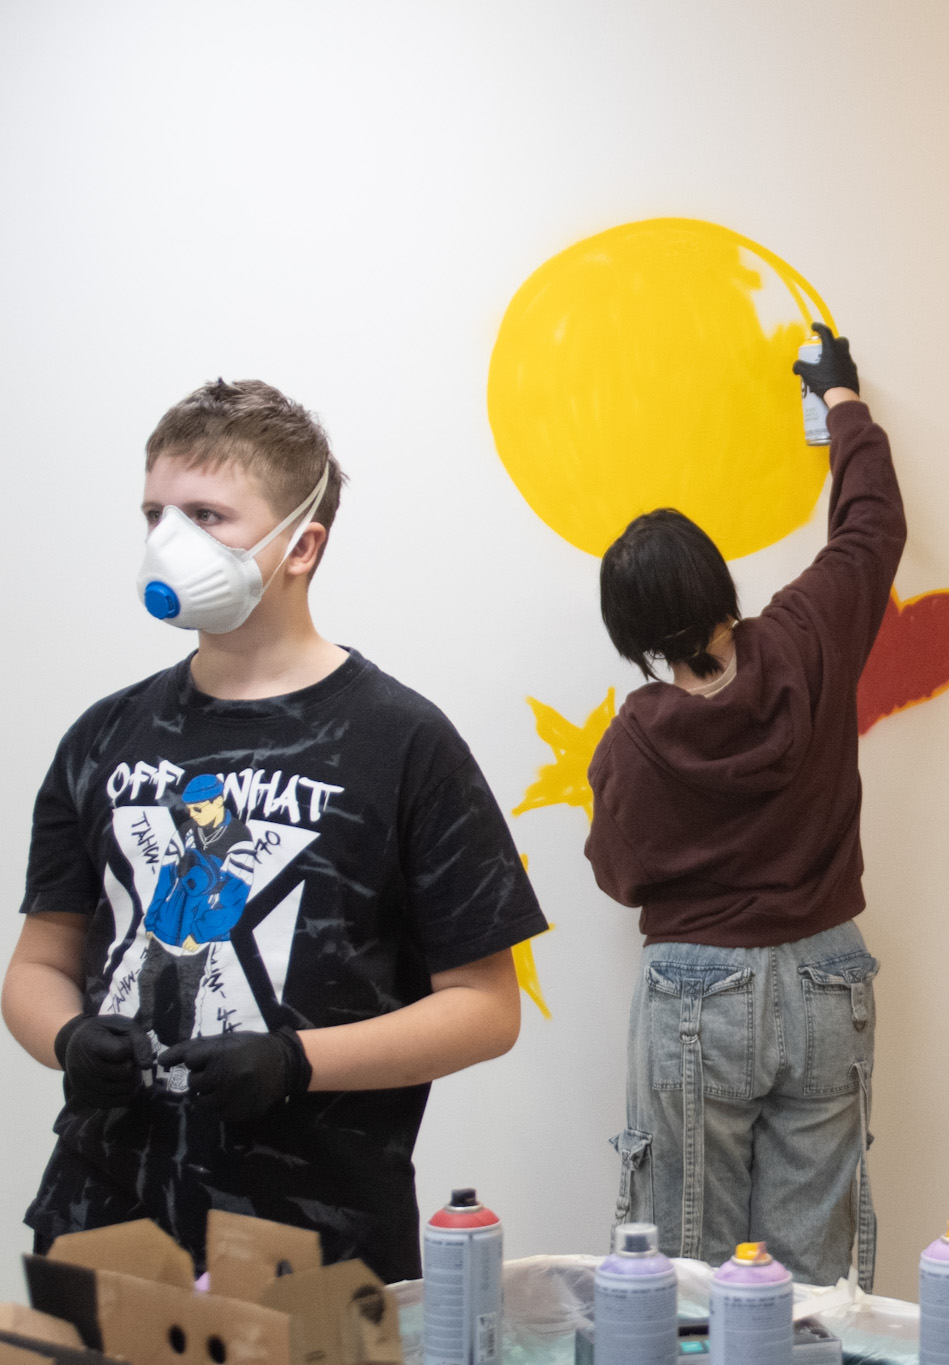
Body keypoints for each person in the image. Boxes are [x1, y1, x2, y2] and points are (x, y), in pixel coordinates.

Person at [1, 379, 548, 1282]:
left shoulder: (404, 742)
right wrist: (67, 1038)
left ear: (303, 544)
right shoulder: (102, 736)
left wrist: (296, 1061)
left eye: (207, 515)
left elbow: (486, 1009)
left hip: (317, 1246)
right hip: (102, 1228)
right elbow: (37, 965)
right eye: (155, 513)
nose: (169, 540)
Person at [584, 324, 902, 1290]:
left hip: (695, 993)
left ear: (635, 639)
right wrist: (840, 400)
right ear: (721, 581)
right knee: (809, 1290)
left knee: (687, 1277)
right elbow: (871, 528)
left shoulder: (635, 740)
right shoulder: (807, 634)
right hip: (829, 980)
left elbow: (618, 874)